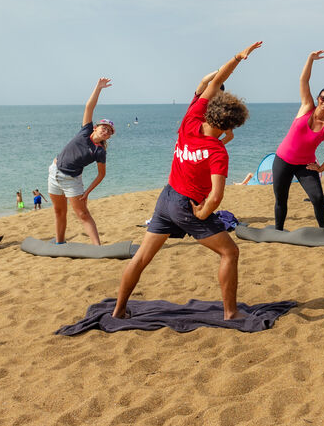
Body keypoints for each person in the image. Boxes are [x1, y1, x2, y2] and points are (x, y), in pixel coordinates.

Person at [112, 41, 261, 320]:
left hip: (166, 197)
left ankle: (119, 310)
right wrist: (202, 212)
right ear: (231, 126)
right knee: (230, 252)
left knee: (142, 257)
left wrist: (237, 58)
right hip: (186, 204)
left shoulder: (190, 120)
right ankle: (231, 313)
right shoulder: (218, 151)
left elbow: (216, 80)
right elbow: (216, 196)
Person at [272, 51, 324, 231]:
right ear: (318, 98)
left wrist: (320, 168)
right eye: (323, 98)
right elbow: (304, 81)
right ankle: (279, 231)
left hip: (305, 165)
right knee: (281, 199)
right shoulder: (306, 107)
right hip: (282, 161)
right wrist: (310, 59)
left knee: (318, 198)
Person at [47, 78, 114, 245]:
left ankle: (98, 247)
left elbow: (101, 175)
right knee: (58, 211)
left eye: (109, 131)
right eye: (104, 127)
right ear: (95, 127)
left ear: (108, 137)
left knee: (83, 214)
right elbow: (89, 107)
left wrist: (87, 192)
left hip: (72, 181)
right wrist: (98, 87)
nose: (106, 131)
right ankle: (59, 243)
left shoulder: (100, 151)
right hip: (54, 173)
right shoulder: (85, 131)